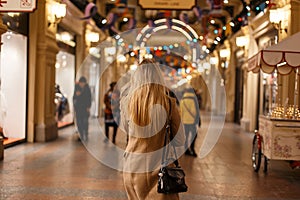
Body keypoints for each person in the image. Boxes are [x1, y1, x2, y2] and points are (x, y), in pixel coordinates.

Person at [120, 59, 185, 200]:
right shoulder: (168, 103)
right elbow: (180, 140)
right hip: (158, 170)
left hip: (132, 167)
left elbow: (126, 130)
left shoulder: (126, 102)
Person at [180, 87, 200, 157]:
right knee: (194, 135)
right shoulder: (194, 99)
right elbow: (195, 111)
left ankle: (186, 150)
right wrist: (197, 120)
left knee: (186, 135)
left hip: (184, 121)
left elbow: (181, 111)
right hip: (192, 121)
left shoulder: (183, 100)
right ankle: (192, 149)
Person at [73, 76, 91, 141]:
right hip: (78, 108)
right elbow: (74, 97)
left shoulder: (87, 88)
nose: (82, 84)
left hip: (85, 108)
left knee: (85, 122)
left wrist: (88, 107)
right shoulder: (77, 88)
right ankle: (81, 135)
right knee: (79, 122)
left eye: (83, 83)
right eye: (81, 83)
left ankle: (85, 133)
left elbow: (89, 98)